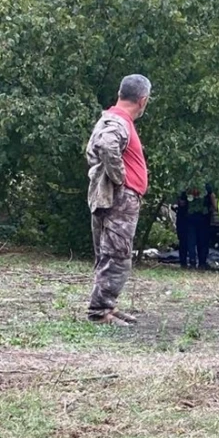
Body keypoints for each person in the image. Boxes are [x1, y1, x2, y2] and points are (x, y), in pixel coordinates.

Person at [85, 74, 151, 326]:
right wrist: (120, 177)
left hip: (111, 197)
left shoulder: (110, 118)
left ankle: (106, 306)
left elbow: (94, 151)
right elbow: (106, 145)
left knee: (109, 254)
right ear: (142, 100)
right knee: (117, 256)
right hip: (120, 199)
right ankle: (100, 312)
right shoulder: (119, 121)